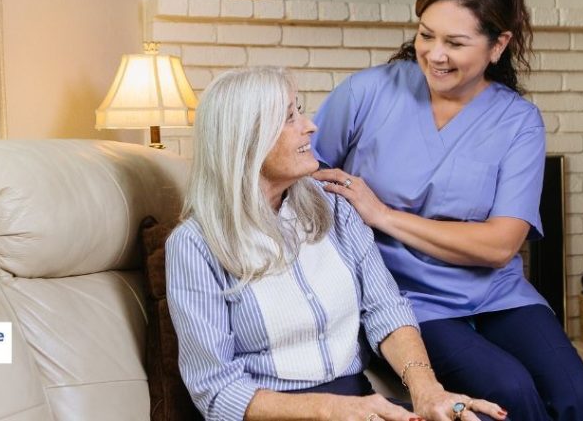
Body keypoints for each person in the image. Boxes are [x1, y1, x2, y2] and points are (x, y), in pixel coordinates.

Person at [311, 0, 583, 421]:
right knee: (511, 393)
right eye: (426, 35)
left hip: (499, 294)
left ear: (498, 45)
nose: (434, 54)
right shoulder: (367, 92)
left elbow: (499, 245)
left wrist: (384, 216)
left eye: (455, 42)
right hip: (408, 300)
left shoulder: (518, 121)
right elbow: (307, 175)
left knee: (580, 401)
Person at [165, 67, 507, 421]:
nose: (309, 126)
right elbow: (216, 391)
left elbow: (385, 308)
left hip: (357, 404)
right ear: (246, 140)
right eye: (289, 118)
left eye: (300, 111)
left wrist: (427, 391)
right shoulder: (194, 245)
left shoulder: (335, 207)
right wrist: (329, 408)